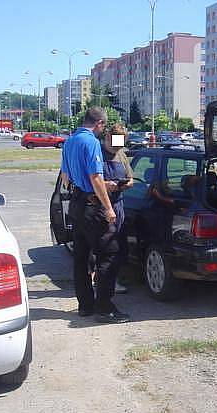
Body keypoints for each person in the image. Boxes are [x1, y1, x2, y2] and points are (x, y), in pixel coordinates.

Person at [61, 107, 129, 323]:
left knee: (81, 259)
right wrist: (108, 208)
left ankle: (85, 306)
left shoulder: (70, 141)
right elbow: (96, 177)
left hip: (77, 206)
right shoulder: (91, 143)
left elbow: (65, 177)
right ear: (99, 124)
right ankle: (104, 308)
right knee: (108, 256)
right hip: (93, 208)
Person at [99, 123, 133, 294]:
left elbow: (131, 178)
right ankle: (100, 282)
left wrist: (124, 185)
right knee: (104, 246)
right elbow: (91, 180)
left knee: (117, 244)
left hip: (118, 204)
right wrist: (105, 185)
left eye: (121, 144)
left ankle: (114, 280)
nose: (117, 147)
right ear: (107, 138)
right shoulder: (97, 153)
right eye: (115, 144)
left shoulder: (121, 155)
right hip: (101, 206)